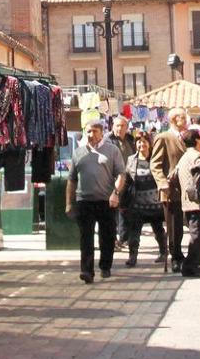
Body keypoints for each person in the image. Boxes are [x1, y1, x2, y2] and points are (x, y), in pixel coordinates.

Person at [66, 119, 127, 284]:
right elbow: (71, 179)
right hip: (84, 200)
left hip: (106, 200)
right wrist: (69, 203)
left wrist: (115, 193)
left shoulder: (112, 151)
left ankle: (105, 266)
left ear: (101, 133)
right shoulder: (78, 153)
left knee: (107, 236)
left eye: (94, 131)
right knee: (86, 237)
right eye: (88, 131)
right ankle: (86, 271)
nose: (91, 134)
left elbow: (121, 174)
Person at [149, 107, 189, 273]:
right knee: (174, 226)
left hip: (186, 188)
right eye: (183, 118)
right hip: (171, 189)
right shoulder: (163, 137)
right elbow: (155, 164)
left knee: (186, 224)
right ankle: (175, 255)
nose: (186, 121)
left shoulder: (186, 137)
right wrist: (162, 182)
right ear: (174, 119)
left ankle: (185, 255)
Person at [175, 129, 200, 276]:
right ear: (197, 141)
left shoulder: (184, 157)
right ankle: (190, 265)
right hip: (197, 201)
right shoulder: (197, 157)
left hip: (188, 201)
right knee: (198, 235)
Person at [123, 133, 166, 267]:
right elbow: (127, 180)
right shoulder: (131, 159)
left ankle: (164, 252)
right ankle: (133, 256)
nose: (142, 145)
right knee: (134, 232)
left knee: (158, 230)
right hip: (137, 204)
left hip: (155, 203)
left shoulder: (156, 159)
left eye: (144, 142)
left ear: (150, 143)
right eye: (139, 142)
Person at [108, 116, 135, 247]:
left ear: (126, 127)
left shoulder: (131, 140)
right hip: (113, 179)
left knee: (126, 210)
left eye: (122, 126)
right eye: (117, 125)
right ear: (113, 127)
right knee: (112, 211)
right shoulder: (108, 140)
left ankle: (124, 238)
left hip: (129, 179)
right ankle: (112, 239)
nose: (119, 128)